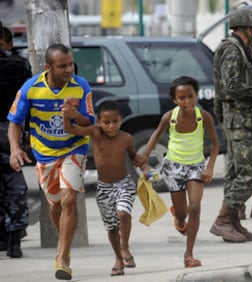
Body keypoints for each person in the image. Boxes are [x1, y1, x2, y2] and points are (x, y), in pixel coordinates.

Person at [8, 43, 95, 280]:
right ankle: (63, 241)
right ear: (48, 67)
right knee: (55, 205)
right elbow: (15, 122)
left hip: (73, 148)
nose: (69, 70)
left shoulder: (81, 86)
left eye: (70, 64)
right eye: (62, 66)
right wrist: (15, 149)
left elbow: (90, 123)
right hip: (44, 153)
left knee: (69, 199)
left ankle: (63, 257)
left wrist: (76, 116)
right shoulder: (31, 88)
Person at [142, 76, 219, 268]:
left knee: (195, 206)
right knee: (183, 214)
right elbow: (156, 135)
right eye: (182, 98)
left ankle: (189, 254)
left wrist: (209, 167)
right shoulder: (170, 117)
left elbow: (216, 144)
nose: (187, 101)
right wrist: (144, 158)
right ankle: (178, 217)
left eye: (190, 96)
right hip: (174, 166)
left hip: (196, 166)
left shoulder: (204, 117)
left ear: (196, 95)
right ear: (175, 100)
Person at [62, 99, 144, 276]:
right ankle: (118, 258)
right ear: (98, 121)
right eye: (106, 122)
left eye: (115, 121)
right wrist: (67, 114)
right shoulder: (95, 132)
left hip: (124, 183)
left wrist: (143, 164)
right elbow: (69, 130)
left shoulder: (127, 138)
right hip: (104, 188)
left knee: (123, 213)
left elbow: (133, 156)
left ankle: (125, 248)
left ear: (121, 119)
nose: (111, 126)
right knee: (111, 226)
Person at [209, 9, 252, 242]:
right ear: (248, 29)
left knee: (236, 172)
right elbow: (232, 86)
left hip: (240, 119)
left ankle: (233, 222)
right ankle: (223, 220)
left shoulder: (235, 49)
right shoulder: (233, 50)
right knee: (250, 173)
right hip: (239, 120)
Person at [0, 23, 31, 258]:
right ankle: (14, 239)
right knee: (15, 187)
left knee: (13, 186)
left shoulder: (16, 64)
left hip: (9, 132)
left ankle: (10, 239)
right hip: (10, 132)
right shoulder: (19, 64)